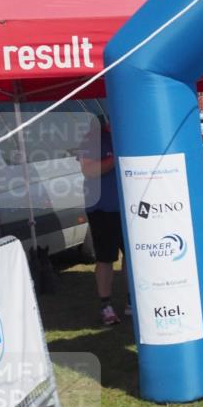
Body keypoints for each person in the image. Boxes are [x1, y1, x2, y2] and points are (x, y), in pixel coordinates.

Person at [78, 115, 128, 326]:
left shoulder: (126, 135)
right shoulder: (92, 140)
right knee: (106, 258)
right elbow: (89, 170)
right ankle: (106, 305)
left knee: (133, 256)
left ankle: (133, 299)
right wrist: (117, 157)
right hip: (103, 209)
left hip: (129, 207)